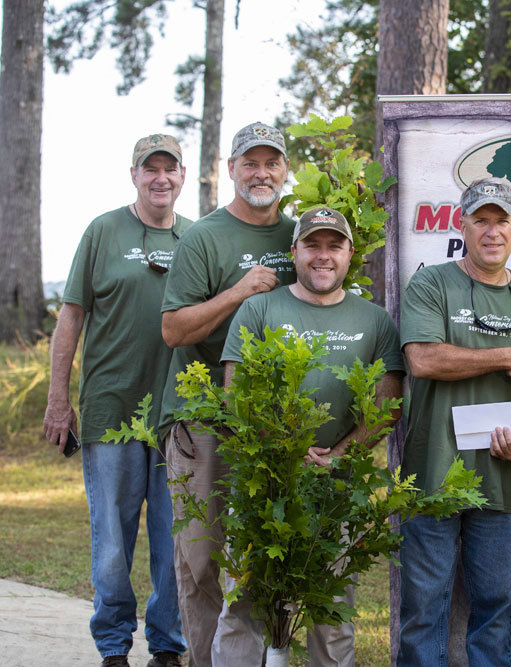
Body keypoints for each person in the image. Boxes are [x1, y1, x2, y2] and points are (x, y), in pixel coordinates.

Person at [212, 207, 405, 666]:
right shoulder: (259, 309)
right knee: (243, 605)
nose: (323, 256)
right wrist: (287, 455)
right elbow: (236, 396)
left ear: (349, 254)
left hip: (336, 490)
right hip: (265, 484)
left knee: (331, 612)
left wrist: (337, 455)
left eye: (333, 246)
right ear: (293, 251)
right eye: (312, 245)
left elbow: (385, 409)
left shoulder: (376, 321)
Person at [43, 134, 191, 667]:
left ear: (181, 175)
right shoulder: (103, 231)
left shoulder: (196, 238)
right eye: (149, 169)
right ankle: (112, 648)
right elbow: (71, 317)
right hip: (111, 411)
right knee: (111, 545)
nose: (160, 179)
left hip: (178, 418)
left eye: (168, 169)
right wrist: (59, 400)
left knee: (175, 543)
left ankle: (169, 647)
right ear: (133, 175)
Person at [397, 178, 511, 666]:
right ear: (459, 224)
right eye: (480, 219)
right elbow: (423, 360)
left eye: (501, 220)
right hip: (434, 473)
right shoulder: (431, 284)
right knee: (424, 608)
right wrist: (506, 353)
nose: (492, 231)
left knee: (494, 606)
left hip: (504, 475)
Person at [158, 121, 296, 667]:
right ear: (231, 170)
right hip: (204, 421)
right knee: (202, 559)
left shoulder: (301, 234)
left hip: (277, 422)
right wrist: (238, 292)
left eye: (272, 162)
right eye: (250, 162)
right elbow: (173, 329)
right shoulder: (204, 237)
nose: (261, 172)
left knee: (268, 553)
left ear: (286, 170)